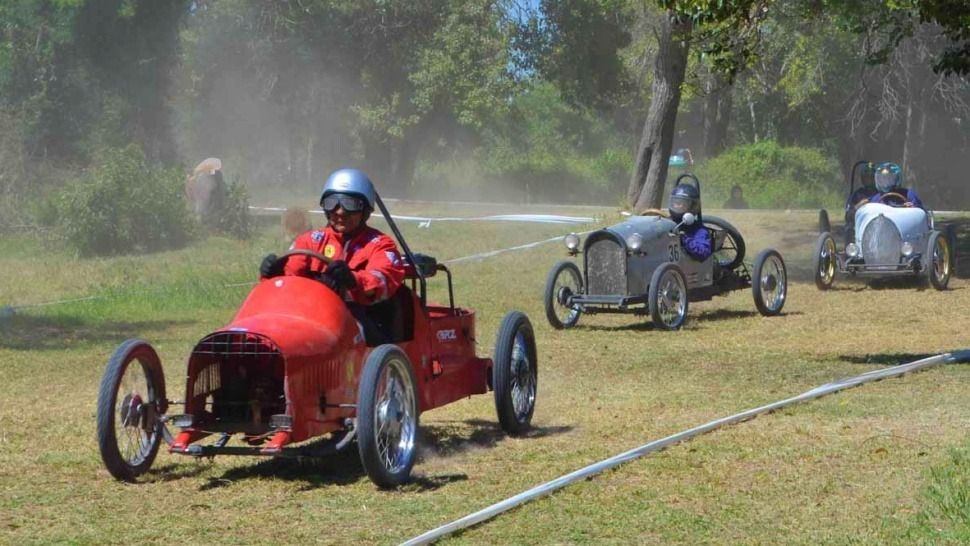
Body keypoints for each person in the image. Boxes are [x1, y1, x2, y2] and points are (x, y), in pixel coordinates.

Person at [259, 168, 406, 309]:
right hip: (313, 312)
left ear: (365, 210)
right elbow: (292, 278)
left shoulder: (380, 244)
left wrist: (353, 280)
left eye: (350, 204)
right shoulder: (309, 241)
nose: (340, 211)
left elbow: (384, 279)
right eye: (332, 203)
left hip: (360, 316)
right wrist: (275, 274)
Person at [668, 182, 712, 261]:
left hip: (685, 269)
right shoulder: (665, 224)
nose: (676, 206)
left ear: (692, 206)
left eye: (680, 203)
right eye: (675, 202)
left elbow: (704, 252)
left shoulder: (699, 230)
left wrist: (683, 239)